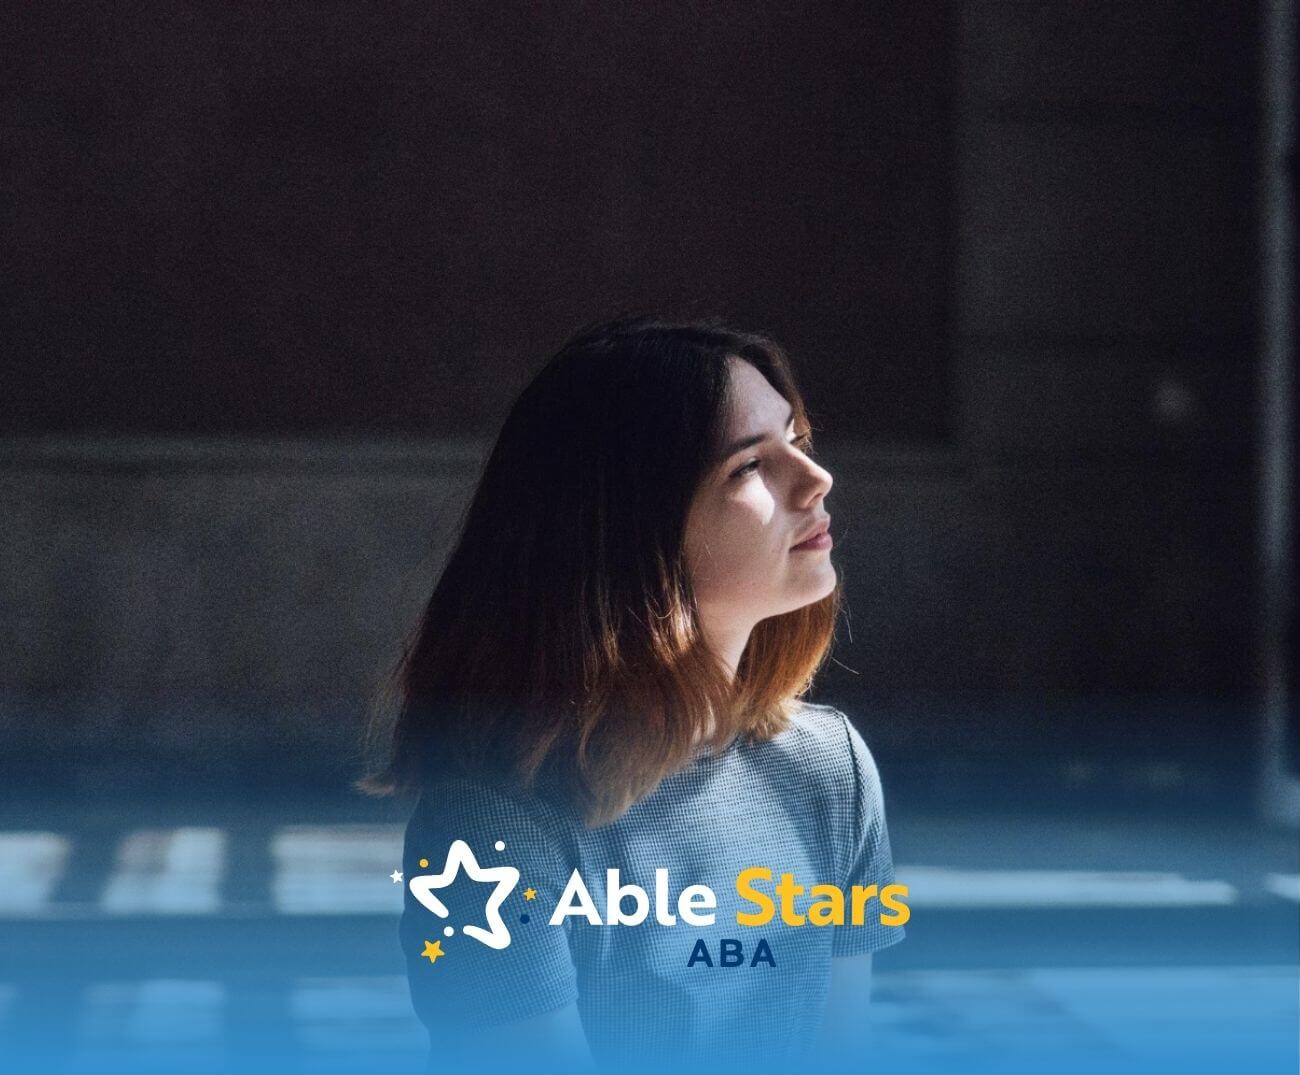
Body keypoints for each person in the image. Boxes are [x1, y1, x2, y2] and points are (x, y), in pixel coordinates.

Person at [360, 316, 905, 1074]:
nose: (817, 480)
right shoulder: (490, 833)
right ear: (630, 533)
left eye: (797, 439)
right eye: (749, 466)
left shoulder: (830, 769)